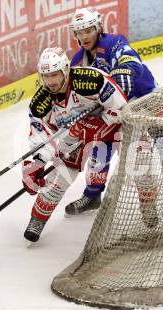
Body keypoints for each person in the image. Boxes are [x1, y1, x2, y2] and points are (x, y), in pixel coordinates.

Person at [22, 47, 126, 243]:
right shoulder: (39, 102)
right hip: (77, 134)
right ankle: (37, 220)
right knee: (58, 178)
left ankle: (151, 204)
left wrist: (100, 122)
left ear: (66, 70)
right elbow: (40, 135)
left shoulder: (90, 79)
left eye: (54, 75)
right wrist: (37, 162)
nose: (50, 81)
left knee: (141, 158)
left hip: (116, 125)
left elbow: (121, 107)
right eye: (46, 76)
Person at [64, 7, 159, 217]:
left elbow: (130, 60)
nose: (84, 36)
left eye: (88, 30)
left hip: (142, 99)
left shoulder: (112, 42)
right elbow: (79, 96)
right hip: (111, 110)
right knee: (100, 150)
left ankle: (151, 200)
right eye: (79, 32)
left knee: (143, 152)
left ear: (98, 28)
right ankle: (92, 195)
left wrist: (124, 70)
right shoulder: (78, 62)